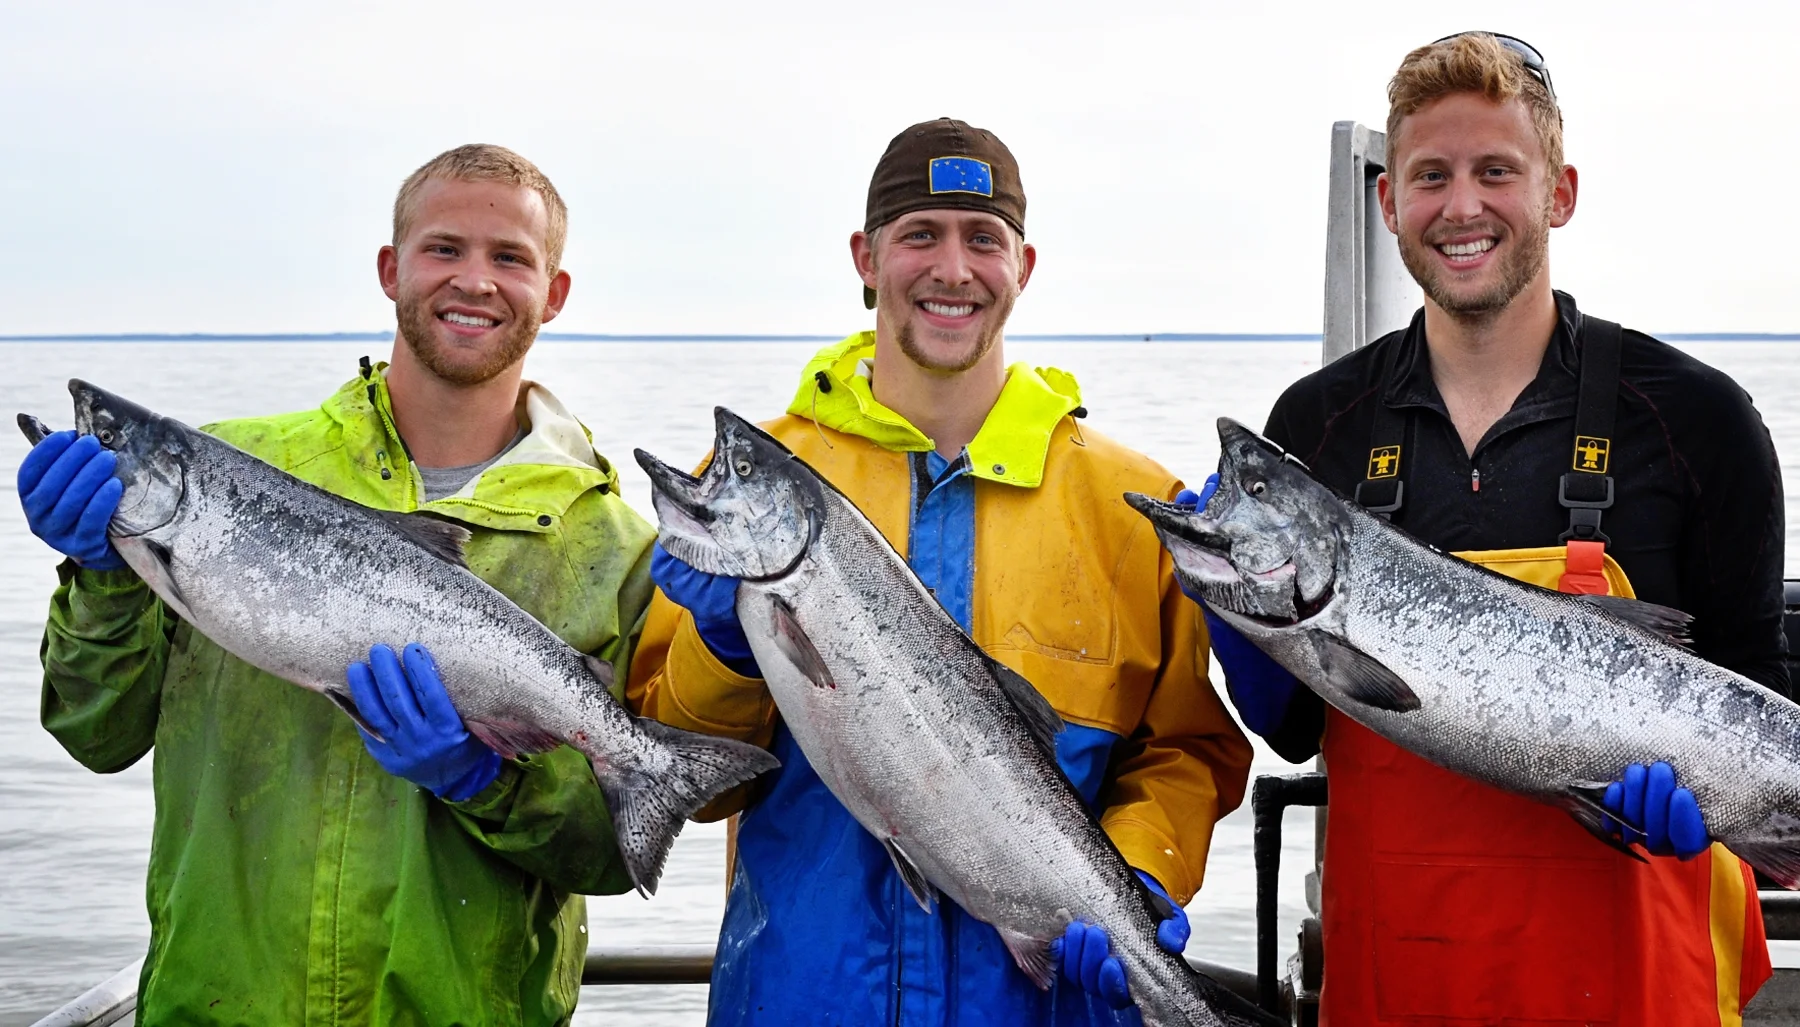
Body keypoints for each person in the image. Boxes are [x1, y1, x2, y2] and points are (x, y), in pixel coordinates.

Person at [1198, 34, 1787, 1026]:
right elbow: (1304, 730)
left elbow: (1757, 689)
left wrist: (1724, 817)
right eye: (1430, 175)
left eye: (1496, 172)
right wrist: (1243, 629)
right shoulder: (1318, 426)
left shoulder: (1695, 423)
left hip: (1642, 988)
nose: (1461, 206)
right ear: (1390, 204)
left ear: (1559, 192)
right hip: (1400, 986)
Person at [626, 118, 1253, 1025]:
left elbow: (1186, 750)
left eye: (982, 238)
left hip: (1052, 1006)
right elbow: (695, 781)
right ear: (866, 256)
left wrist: (1143, 871)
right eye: (920, 233)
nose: (952, 269)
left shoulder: (1127, 501)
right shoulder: (763, 484)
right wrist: (725, 648)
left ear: (1024, 265)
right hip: (801, 1001)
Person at [17, 144, 657, 1025]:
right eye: (444, 249)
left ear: (554, 293)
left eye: (510, 257)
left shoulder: (617, 549)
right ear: (392, 270)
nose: (474, 280)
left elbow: (609, 858)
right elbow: (96, 736)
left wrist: (486, 781)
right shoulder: (238, 467)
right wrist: (101, 579)